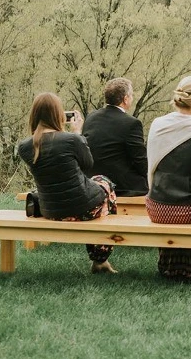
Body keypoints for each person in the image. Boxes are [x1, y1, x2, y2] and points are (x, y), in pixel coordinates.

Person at [18, 92, 118, 274]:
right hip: (82, 209)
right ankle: (100, 258)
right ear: (58, 114)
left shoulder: (25, 146)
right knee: (104, 182)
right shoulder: (71, 140)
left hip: (51, 210)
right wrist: (77, 133)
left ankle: (100, 258)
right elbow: (88, 164)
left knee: (94, 183)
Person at [145, 75, 191, 282]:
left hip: (157, 206)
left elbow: (151, 166)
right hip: (190, 210)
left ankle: (170, 267)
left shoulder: (157, 125)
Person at [82, 78, 148, 197]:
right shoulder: (131, 123)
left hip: (93, 182)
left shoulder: (91, 117)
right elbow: (140, 160)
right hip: (121, 186)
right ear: (125, 99)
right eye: (131, 95)